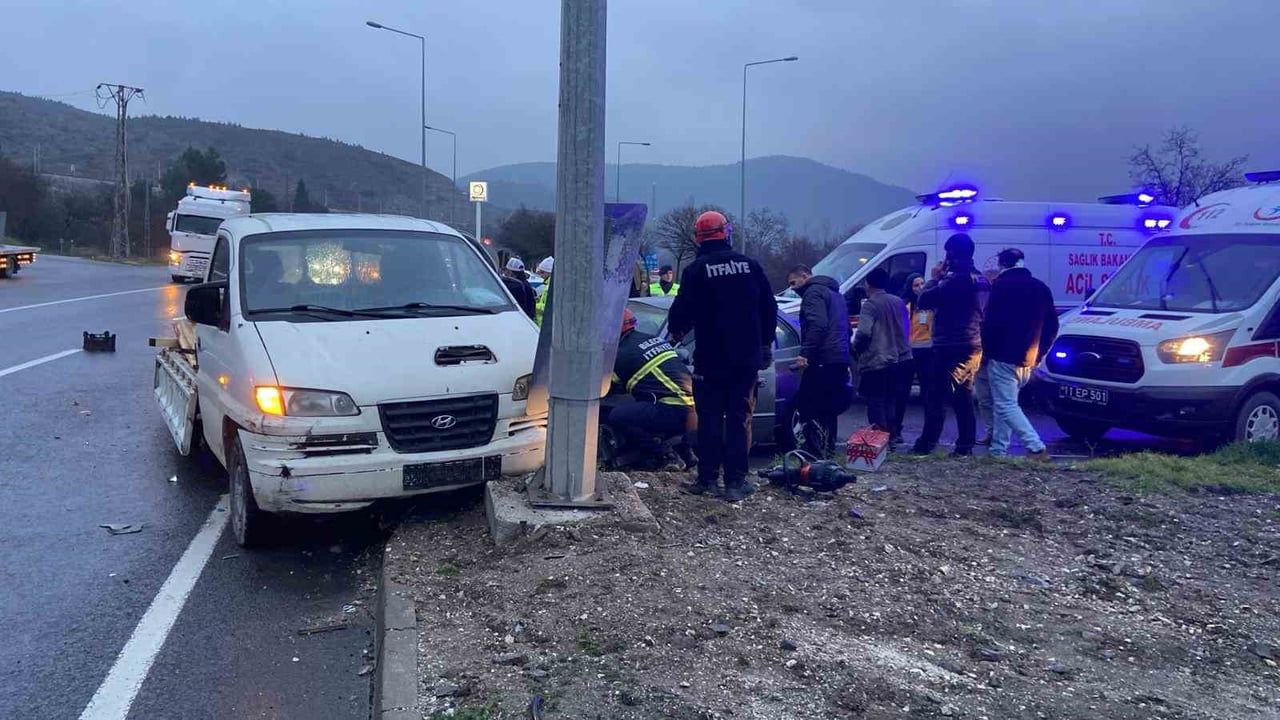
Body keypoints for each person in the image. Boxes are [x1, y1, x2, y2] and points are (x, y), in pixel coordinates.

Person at [668, 210, 777, 502]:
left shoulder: (696, 271)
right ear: (726, 233)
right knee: (739, 420)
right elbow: (769, 309)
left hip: (710, 361)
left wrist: (676, 332)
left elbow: (680, 313)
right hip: (745, 361)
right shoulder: (750, 267)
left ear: (697, 238)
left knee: (710, 420)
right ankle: (735, 482)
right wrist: (764, 345)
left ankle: (707, 480)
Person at [911, 233, 991, 457]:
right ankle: (965, 446)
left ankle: (927, 444)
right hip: (972, 343)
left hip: (950, 345)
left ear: (952, 254)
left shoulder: (955, 280)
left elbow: (923, 301)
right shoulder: (981, 279)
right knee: (963, 396)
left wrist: (935, 277)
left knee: (935, 396)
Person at [981, 248, 1059, 460]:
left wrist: (986, 351)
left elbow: (991, 323)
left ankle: (1035, 446)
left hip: (1002, 355)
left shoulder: (1000, 286)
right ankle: (998, 450)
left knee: (1006, 405)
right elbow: (1052, 325)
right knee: (1005, 403)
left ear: (1002, 264)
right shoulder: (1040, 287)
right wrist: (1040, 353)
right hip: (1029, 357)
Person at [608, 308, 697, 469]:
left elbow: (606, 385)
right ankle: (683, 449)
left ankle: (664, 454)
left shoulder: (621, 354)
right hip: (693, 407)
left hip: (675, 408)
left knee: (617, 416)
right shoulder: (651, 338)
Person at [786, 264, 853, 456]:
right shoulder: (836, 295)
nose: (792, 288)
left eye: (793, 282)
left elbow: (817, 325)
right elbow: (846, 328)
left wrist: (805, 353)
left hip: (822, 358)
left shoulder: (813, 293)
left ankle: (814, 451)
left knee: (808, 404)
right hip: (839, 358)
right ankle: (828, 451)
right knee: (829, 409)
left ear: (805, 276)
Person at [851, 268, 911, 438]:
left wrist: (856, 348)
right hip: (899, 359)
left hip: (877, 360)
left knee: (875, 402)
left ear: (868, 284)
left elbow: (863, 332)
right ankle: (892, 437)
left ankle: (879, 440)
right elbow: (907, 329)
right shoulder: (898, 302)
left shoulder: (870, 304)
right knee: (891, 401)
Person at [892, 273, 933, 445]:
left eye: (922, 284)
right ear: (910, 287)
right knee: (901, 392)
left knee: (928, 393)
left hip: (927, 351)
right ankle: (896, 430)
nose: (920, 288)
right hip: (908, 352)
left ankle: (928, 433)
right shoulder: (905, 305)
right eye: (916, 285)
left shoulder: (930, 304)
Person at [534, 256, 554, 325]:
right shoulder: (548, 285)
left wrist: (534, 305)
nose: (540, 275)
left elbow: (549, 307)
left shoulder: (550, 287)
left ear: (550, 272)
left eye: (542, 272)